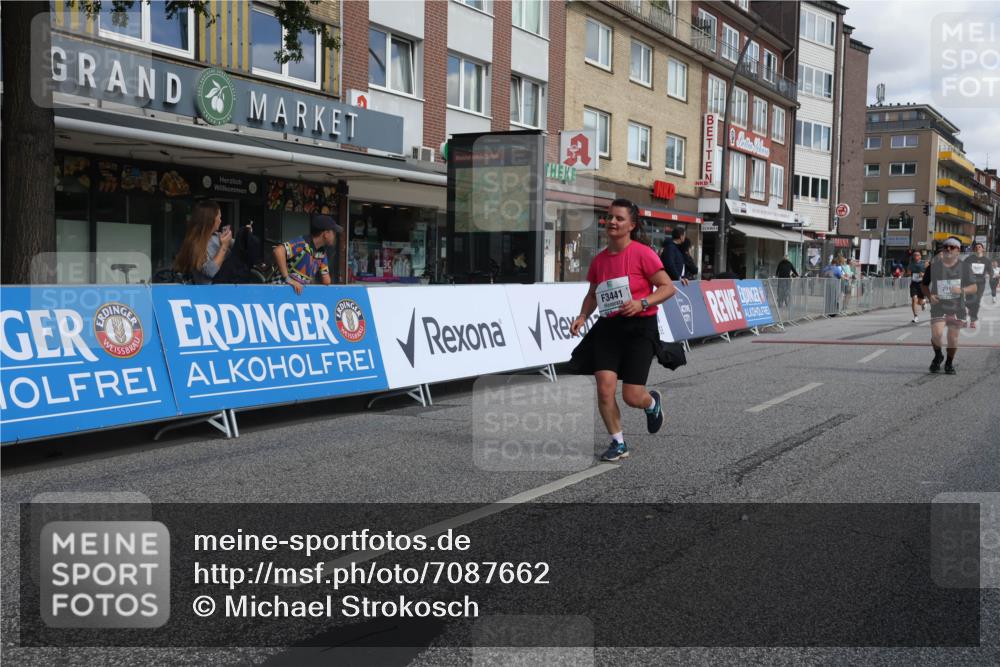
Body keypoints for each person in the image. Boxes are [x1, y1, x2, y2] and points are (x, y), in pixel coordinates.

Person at [569, 199, 678, 462]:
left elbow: (668, 288)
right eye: (610, 217)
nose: (612, 222)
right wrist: (583, 316)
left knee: (632, 395)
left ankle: (651, 403)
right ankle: (618, 442)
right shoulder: (600, 260)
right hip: (608, 327)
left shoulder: (643, 253)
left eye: (619, 218)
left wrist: (642, 303)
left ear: (632, 225)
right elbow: (592, 294)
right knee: (604, 388)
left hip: (640, 328)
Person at [921, 237, 976, 375]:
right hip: (938, 306)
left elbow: (974, 287)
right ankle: (938, 355)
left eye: (952, 247)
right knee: (936, 335)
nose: (948, 249)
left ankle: (949, 363)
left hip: (957, 307)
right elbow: (924, 285)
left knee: (952, 338)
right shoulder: (934, 266)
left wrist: (961, 290)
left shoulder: (964, 267)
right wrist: (929, 296)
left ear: (958, 250)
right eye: (946, 246)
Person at [273, 214, 341, 294]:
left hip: (295, 294)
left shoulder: (321, 253)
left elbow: (326, 281)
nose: (335, 236)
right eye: (334, 233)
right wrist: (288, 279)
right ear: (326, 234)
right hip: (277, 291)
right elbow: (278, 251)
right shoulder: (302, 244)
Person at [173, 199, 232, 284]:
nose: (220, 221)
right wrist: (223, 247)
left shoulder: (217, 236)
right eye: (219, 217)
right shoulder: (195, 243)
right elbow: (211, 271)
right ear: (211, 219)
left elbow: (239, 246)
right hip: (208, 290)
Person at [964, 242, 989, 328]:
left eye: (979, 247)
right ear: (974, 250)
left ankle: (972, 321)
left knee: (977, 302)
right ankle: (968, 312)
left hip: (981, 284)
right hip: (970, 283)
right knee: (969, 301)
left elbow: (990, 270)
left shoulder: (986, 260)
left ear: (983, 249)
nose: (978, 248)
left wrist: (990, 275)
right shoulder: (968, 259)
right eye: (976, 247)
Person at [906, 250, 928, 323]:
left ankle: (923, 302)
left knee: (919, 301)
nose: (916, 256)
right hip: (914, 283)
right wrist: (908, 273)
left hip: (922, 284)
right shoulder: (911, 264)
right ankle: (916, 317)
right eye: (914, 255)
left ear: (920, 256)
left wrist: (923, 274)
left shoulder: (924, 263)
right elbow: (908, 273)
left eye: (917, 255)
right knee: (914, 299)